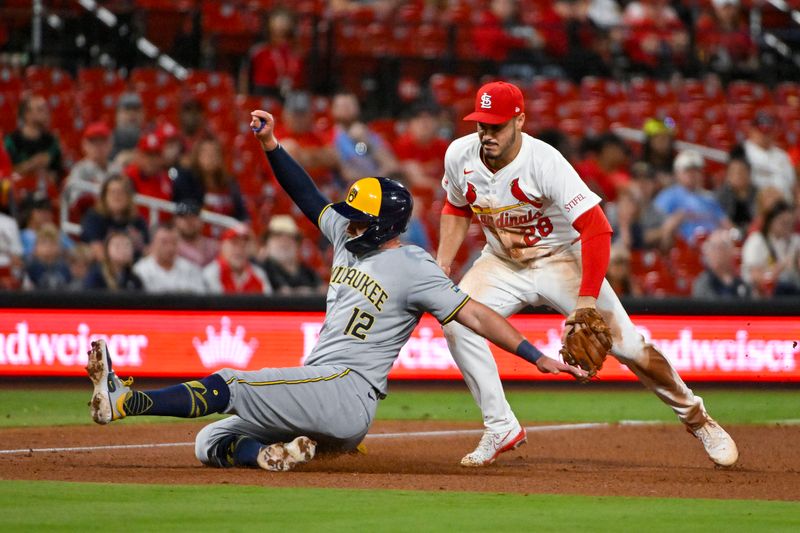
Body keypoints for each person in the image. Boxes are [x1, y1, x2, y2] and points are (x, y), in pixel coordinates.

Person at [83, 109, 585, 473]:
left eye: (359, 217)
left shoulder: (414, 266)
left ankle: (127, 402)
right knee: (210, 438)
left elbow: (475, 315)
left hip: (347, 391)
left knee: (232, 382)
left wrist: (535, 355)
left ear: (385, 224)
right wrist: (272, 146)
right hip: (318, 385)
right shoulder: (348, 234)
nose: (346, 221)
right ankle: (270, 457)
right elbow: (305, 194)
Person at [436, 81, 738, 468]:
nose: (487, 133)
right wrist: (444, 263)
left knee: (629, 347)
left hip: (561, 258)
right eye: (482, 124)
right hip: (501, 261)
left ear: (519, 121)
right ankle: (501, 426)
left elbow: (596, 228)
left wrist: (586, 300)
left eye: (496, 125)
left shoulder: (545, 162)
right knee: (457, 322)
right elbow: (456, 206)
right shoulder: (459, 154)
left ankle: (698, 419)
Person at [653, 149, 730, 244]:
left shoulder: (710, 198)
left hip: (712, 247)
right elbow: (657, 226)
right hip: (684, 248)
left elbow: (726, 225)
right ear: (678, 173)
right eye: (688, 171)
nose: (692, 175)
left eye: (696, 170)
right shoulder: (668, 196)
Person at [331, 92, 401, 183]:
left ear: (358, 108)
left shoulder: (369, 134)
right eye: (342, 105)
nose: (346, 109)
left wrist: (366, 141)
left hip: (376, 186)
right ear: (333, 110)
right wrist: (379, 177)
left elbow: (392, 165)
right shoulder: (331, 137)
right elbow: (347, 174)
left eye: (350, 105)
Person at [172, 136, 247, 221]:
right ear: (197, 155)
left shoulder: (230, 184)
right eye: (205, 152)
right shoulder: (187, 181)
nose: (210, 157)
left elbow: (241, 214)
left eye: (214, 153)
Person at [3, 94, 64, 195]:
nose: (46, 113)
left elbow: (57, 172)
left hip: (46, 193)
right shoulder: (12, 141)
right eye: (40, 109)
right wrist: (32, 164)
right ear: (27, 115)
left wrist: (48, 175)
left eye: (46, 109)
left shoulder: (51, 141)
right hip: (19, 193)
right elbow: (6, 172)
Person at [80, 174, 149, 261]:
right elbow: (96, 250)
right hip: (102, 268)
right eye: (112, 192)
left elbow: (147, 251)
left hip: (133, 270)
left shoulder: (137, 221)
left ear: (129, 196)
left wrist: (140, 245)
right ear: (104, 196)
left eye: (121, 192)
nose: (116, 196)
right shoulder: (94, 217)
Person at [740, 201, 800, 297]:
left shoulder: (796, 241)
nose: (787, 227)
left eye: (790, 223)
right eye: (783, 223)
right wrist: (780, 267)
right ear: (770, 222)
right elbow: (754, 276)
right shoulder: (757, 241)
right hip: (764, 296)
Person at [242, 8, 305, 98]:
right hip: (264, 96)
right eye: (278, 20)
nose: (281, 25)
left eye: (284, 20)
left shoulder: (298, 54)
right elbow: (245, 80)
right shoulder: (259, 51)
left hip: (292, 98)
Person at [257, 214, 323, 295]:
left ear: (297, 244)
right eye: (278, 236)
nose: (284, 242)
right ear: (267, 243)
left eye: (289, 237)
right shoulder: (261, 270)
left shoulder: (308, 273)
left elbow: (323, 290)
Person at [133, 222, 206, 294]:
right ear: (153, 243)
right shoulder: (140, 271)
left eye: (174, 242)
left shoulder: (191, 269)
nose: (170, 248)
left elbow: (200, 299)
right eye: (164, 242)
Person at [392, 102, 450, 192]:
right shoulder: (402, 145)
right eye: (418, 119)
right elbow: (415, 180)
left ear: (437, 123)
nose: (424, 123)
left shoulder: (442, 145)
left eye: (429, 118)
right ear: (409, 124)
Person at [203, 224, 272, 294]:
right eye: (234, 244)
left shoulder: (258, 274)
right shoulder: (212, 272)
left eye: (244, 245)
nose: (239, 250)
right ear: (223, 246)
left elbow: (268, 302)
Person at [743, 111, 797, 203]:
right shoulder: (742, 152)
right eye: (761, 131)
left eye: (768, 131)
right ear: (752, 130)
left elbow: (792, 185)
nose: (764, 135)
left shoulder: (782, 155)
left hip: (785, 207)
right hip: (755, 207)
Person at [692, 229, 750, 299]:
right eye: (712, 248)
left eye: (720, 248)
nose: (715, 254)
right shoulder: (703, 283)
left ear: (730, 251)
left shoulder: (742, 283)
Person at [575, 133, 630, 203]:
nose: (622, 154)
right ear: (607, 149)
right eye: (620, 150)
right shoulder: (584, 169)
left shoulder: (623, 174)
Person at [65, 122, 115, 190]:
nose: (98, 146)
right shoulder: (80, 170)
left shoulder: (116, 169)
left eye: (102, 141)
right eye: (93, 142)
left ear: (110, 144)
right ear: (85, 145)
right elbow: (74, 194)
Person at [23, 223, 71, 290]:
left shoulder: (65, 267)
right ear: (35, 247)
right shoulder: (30, 268)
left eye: (52, 243)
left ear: (59, 248)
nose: (48, 247)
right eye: (43, 242)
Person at [716, 155, 757, 233]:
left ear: (749, 173)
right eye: (734, 172)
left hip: (753, 234)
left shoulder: (758, 194)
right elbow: (720, 218)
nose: (738, 175)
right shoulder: (721, 195)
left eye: (741, 171)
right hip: (728, 233)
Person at [174, 200, 219, 267]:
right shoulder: (169, 245)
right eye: (184, 217)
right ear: (175, 220)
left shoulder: (213, 246)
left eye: (193, 216)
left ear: (201, 220)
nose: (189, 221)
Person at [110, 92, 145, 163]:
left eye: (136, 110)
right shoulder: (108, 139)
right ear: (117, 114)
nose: (132, 114)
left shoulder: (150, 136)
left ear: (143, 114)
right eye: (127, 110)